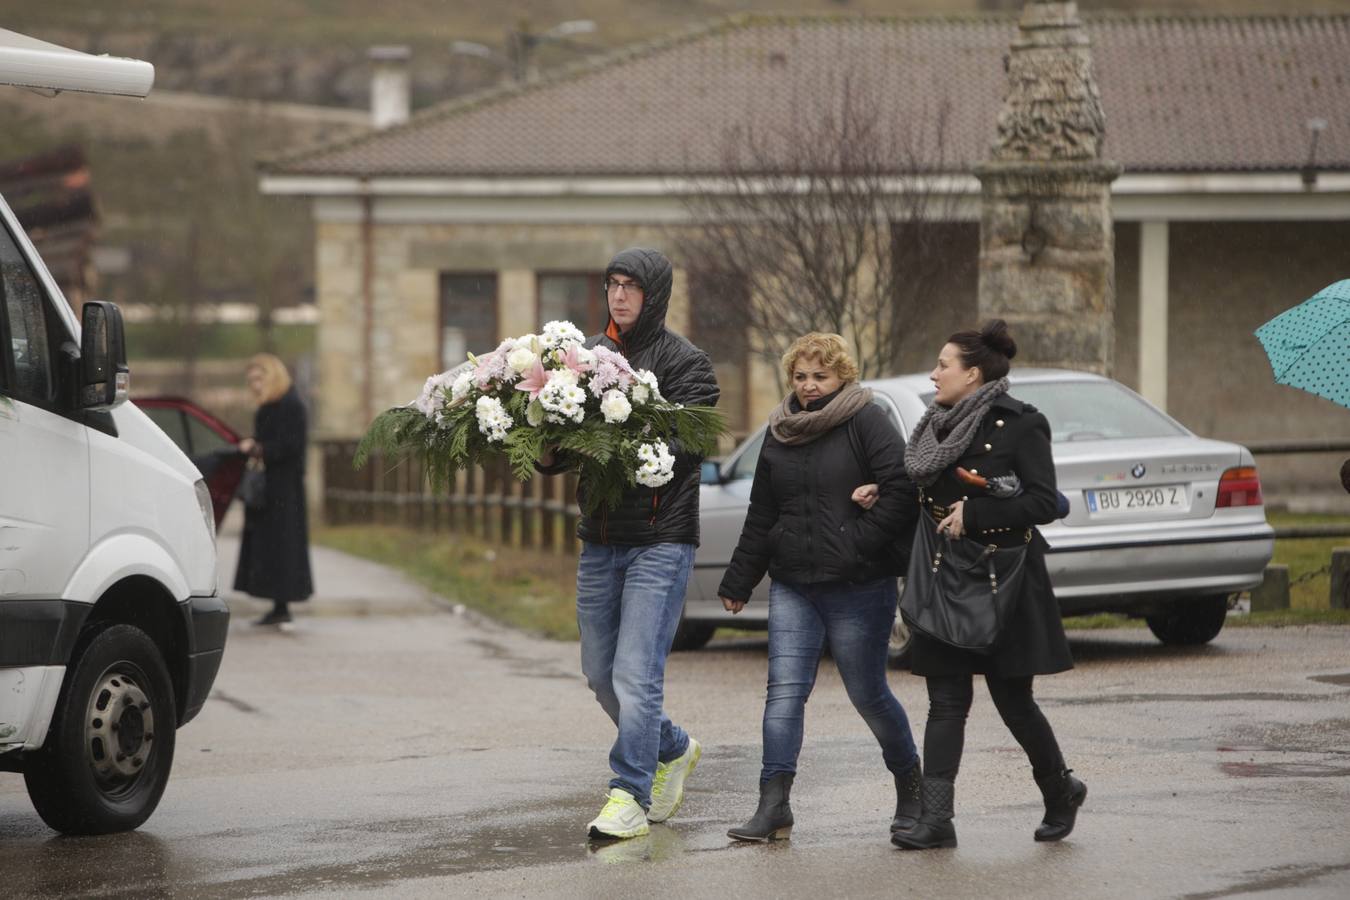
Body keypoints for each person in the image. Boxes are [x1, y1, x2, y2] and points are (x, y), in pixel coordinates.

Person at [875, 319, 1084, 850]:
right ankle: (937, 820)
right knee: (945, 700)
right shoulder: (933, 427)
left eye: (943, 364)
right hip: (945, 575)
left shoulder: (1021, 424)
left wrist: (979, 512)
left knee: (1014, 699)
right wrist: (878, 493)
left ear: (972, 373)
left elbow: (1044, 501)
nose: (934, 373)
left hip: (1002, 578)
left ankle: (1060, 790)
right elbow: (922, 488)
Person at [537, 247, 720, 840]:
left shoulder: (690, 365)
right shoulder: (586, 357)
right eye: (612, 285)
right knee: (599, 671)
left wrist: (620, 425)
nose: (619, 296)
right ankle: (674, 747)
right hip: (601, 538)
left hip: (660, 540)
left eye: (632, 287)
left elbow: (683, 452)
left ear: (655, 295)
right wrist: (545, 430)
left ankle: (628, 795)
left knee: (636, 673)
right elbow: (561, 453)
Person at [717, 333, 922, 843]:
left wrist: (857, 544)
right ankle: (773, 804)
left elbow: (900, 491)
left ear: (842, 377)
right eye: (801, 376)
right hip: (793, 585)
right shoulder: (780, 430)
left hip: (858, 584)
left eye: (820, 376)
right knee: (783, 694)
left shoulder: (866, 420)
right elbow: (763, 510)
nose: (809, 387)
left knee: (868, 694)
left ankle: (913, 790)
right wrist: (740, 578)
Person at [234, 353, 314, 626]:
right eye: (251, 380)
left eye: (259, 378)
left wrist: (258, 448)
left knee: (282, 546)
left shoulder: (290, 405)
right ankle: (278, 604)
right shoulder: (272, 406)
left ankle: (282, 603)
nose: (255, 385)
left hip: (284, 490)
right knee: (273, 547)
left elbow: (290, 446)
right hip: (271, 489)